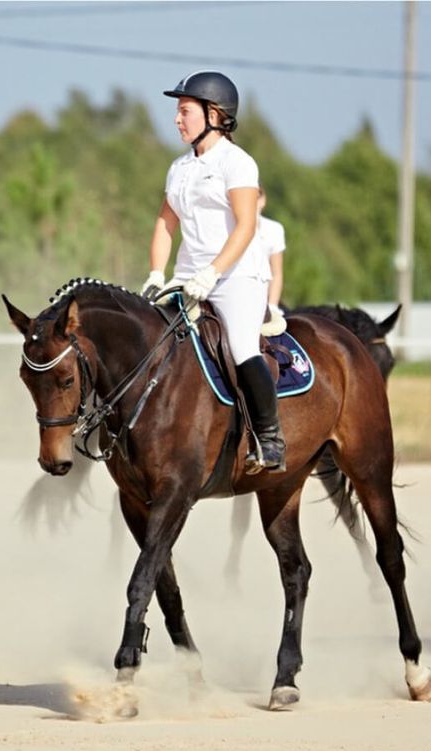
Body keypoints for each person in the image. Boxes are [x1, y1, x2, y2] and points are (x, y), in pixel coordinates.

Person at [140, 70, 285, 474]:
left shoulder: (237, 163)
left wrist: (214, 272)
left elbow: (246, 226)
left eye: (184, 110)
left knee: (241, 347)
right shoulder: (178, 168)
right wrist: (156, 273)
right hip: (186, 276)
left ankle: (270, 439)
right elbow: (164, 224)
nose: (177, 119)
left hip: (237, 277)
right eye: (177, 111)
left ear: (214, 114)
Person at [256, 186, 286, 318]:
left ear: (263, 200)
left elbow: (276, 272)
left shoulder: (274, 229)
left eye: (256, 197)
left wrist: (272, 305)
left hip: (263, 295)